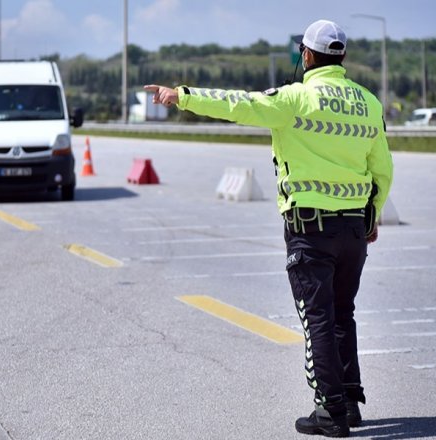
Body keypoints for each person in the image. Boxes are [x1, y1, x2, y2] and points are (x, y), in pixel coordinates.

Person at [145, 19, 393, 438]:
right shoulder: (368, 102)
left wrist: (182, 95)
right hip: (354, 229)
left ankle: (330, 412)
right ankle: (349, 402)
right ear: (343, 57)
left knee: (317, 318)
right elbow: (381, 169)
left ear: (307, 56)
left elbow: (238, 104)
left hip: (310, 230)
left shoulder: (294, 99)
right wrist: (372, 214)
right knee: (342, 314)